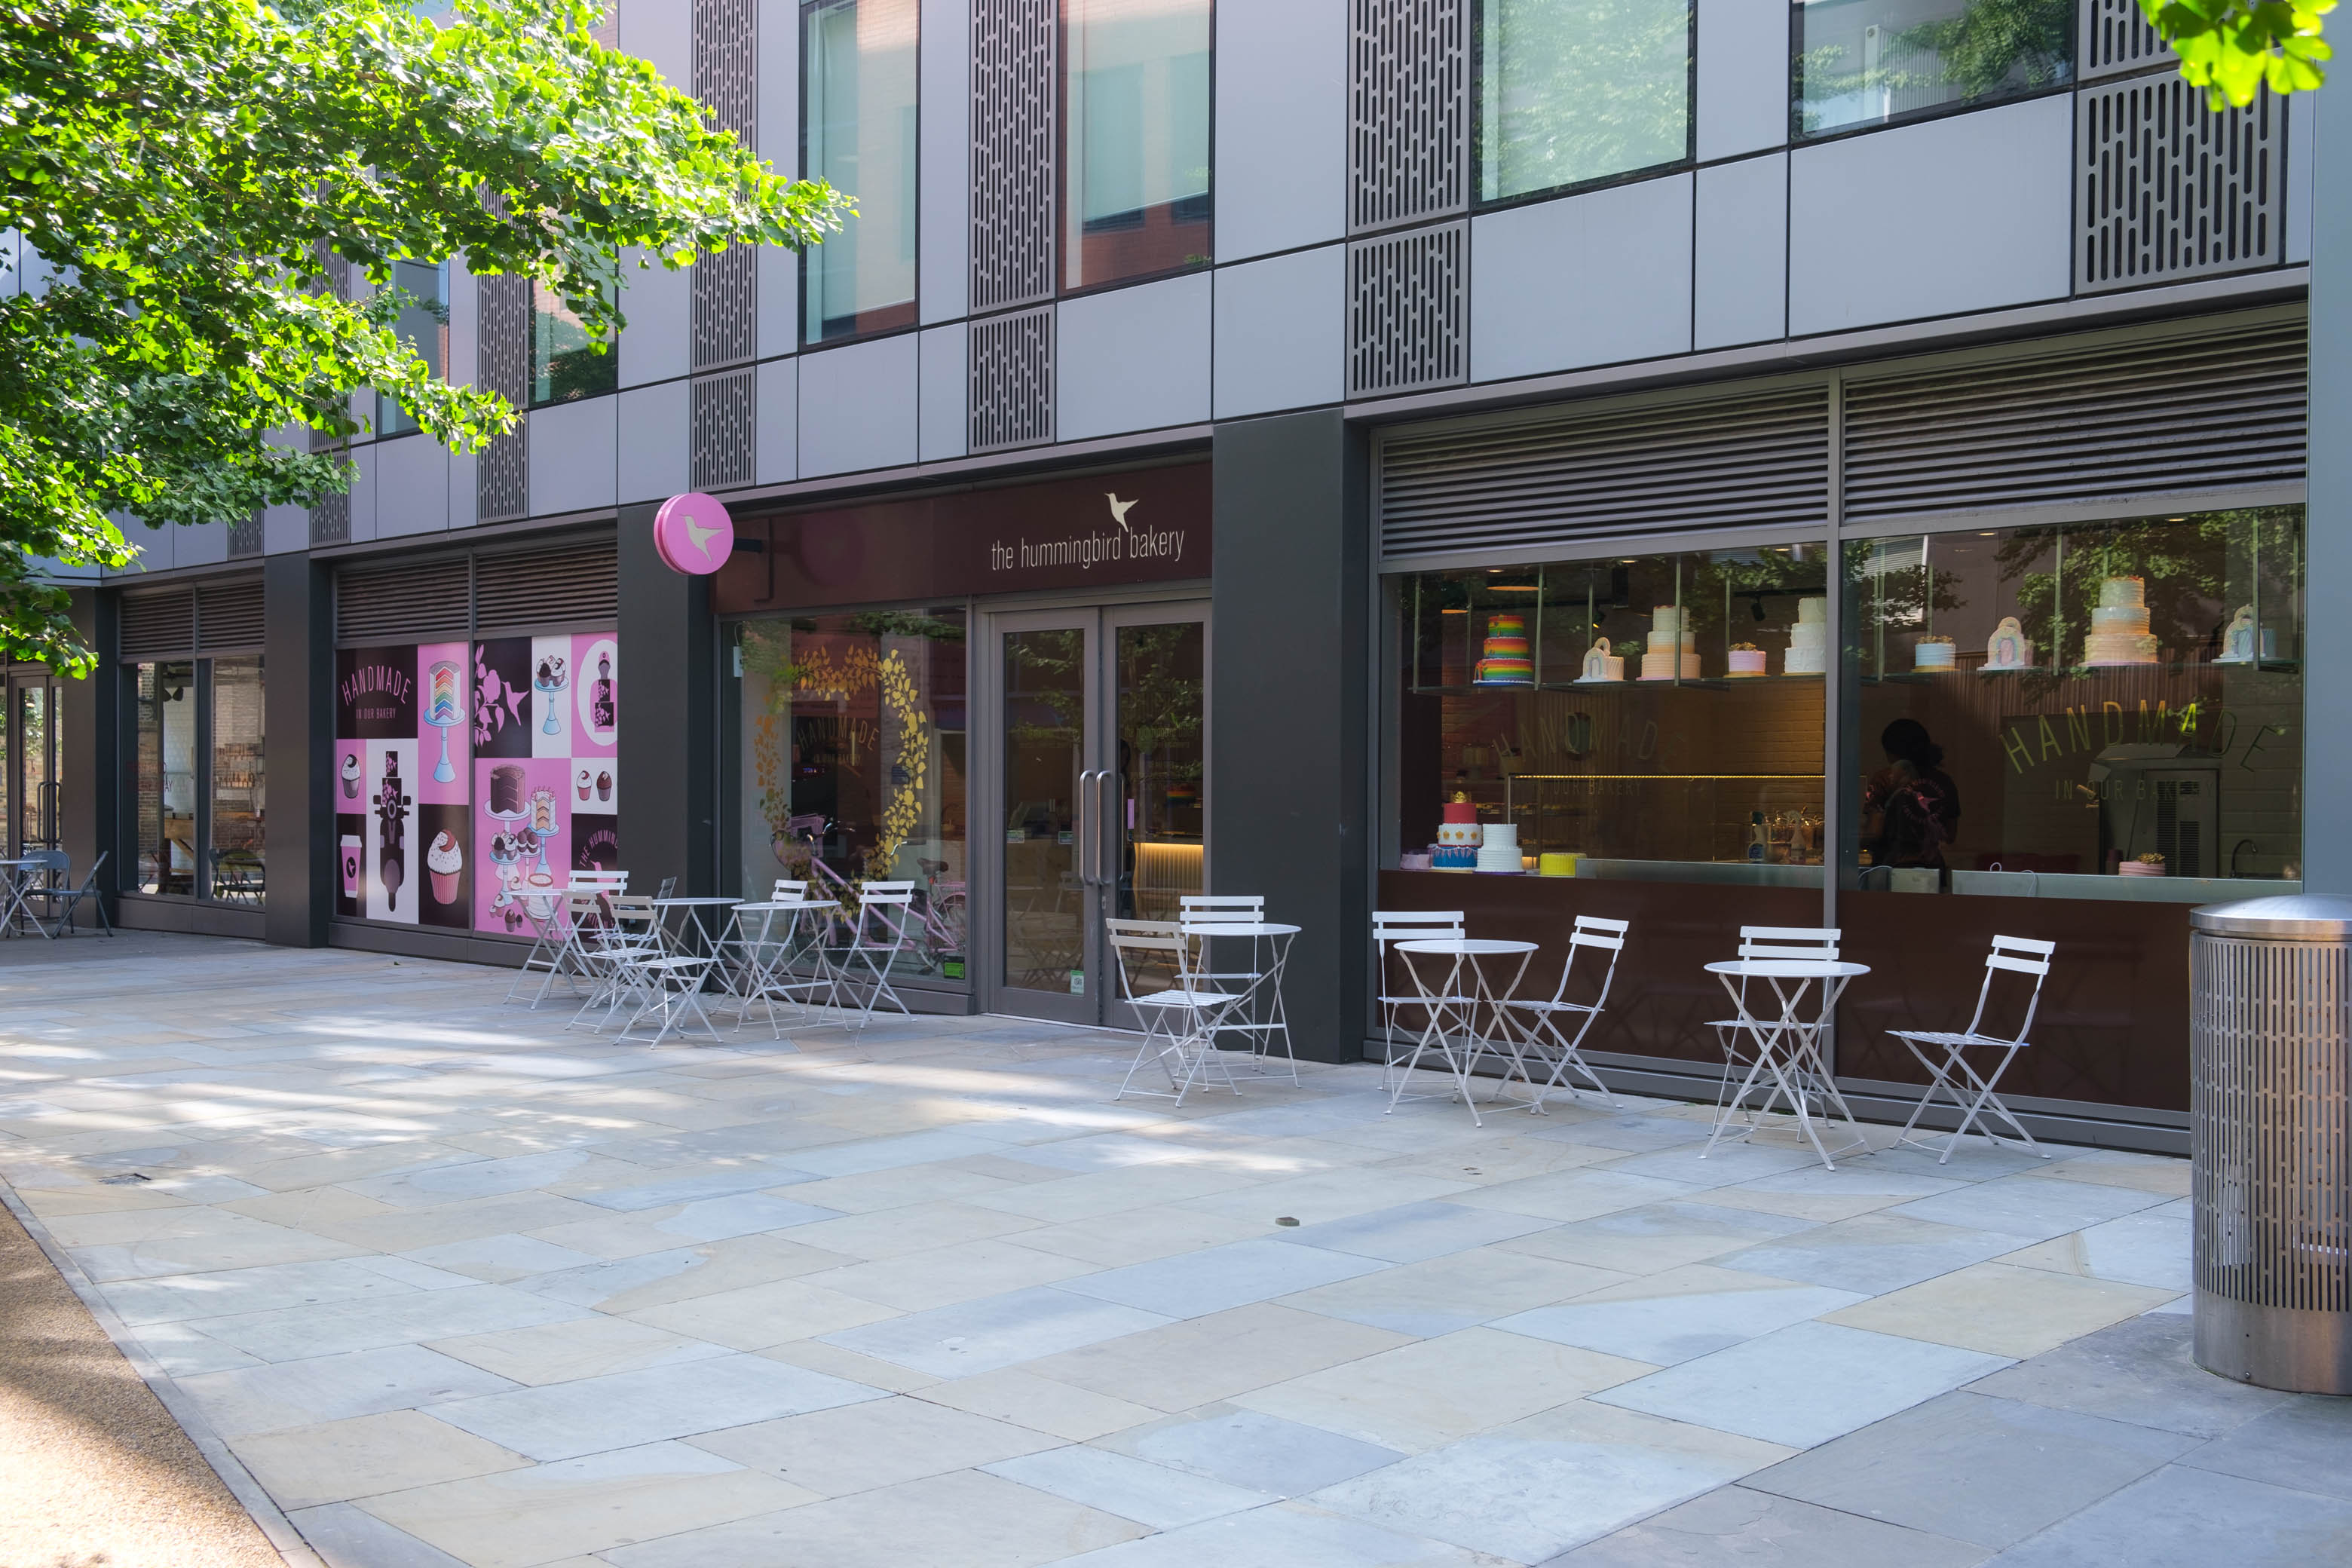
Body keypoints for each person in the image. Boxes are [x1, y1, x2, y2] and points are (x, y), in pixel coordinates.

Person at [1861, 717, 1960, 870]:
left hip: (1892, 868)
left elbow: (1875, 832)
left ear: (1891, 752)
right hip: (1932, 869)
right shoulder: (1944, 781)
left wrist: (1846, 839)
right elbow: (1950, 835)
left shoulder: (1884, 779)